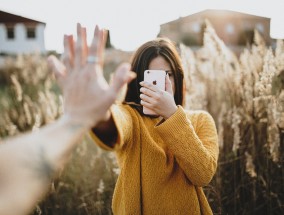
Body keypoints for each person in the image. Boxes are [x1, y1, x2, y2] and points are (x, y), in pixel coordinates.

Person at [0, 23, 136, 215]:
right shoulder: (132, 117)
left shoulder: (193, 119)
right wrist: (78, 118)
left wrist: (76, 118)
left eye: (169, 75)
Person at [88, 37, 219, 215]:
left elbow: (203, 174)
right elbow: (114, 126)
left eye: (169, 74)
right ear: (138, 81)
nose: (163, 84)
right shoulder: (130, 116)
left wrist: (172, 115)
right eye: (152, 77)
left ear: (178, 77)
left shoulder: (201, 120)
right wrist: (100, 111)